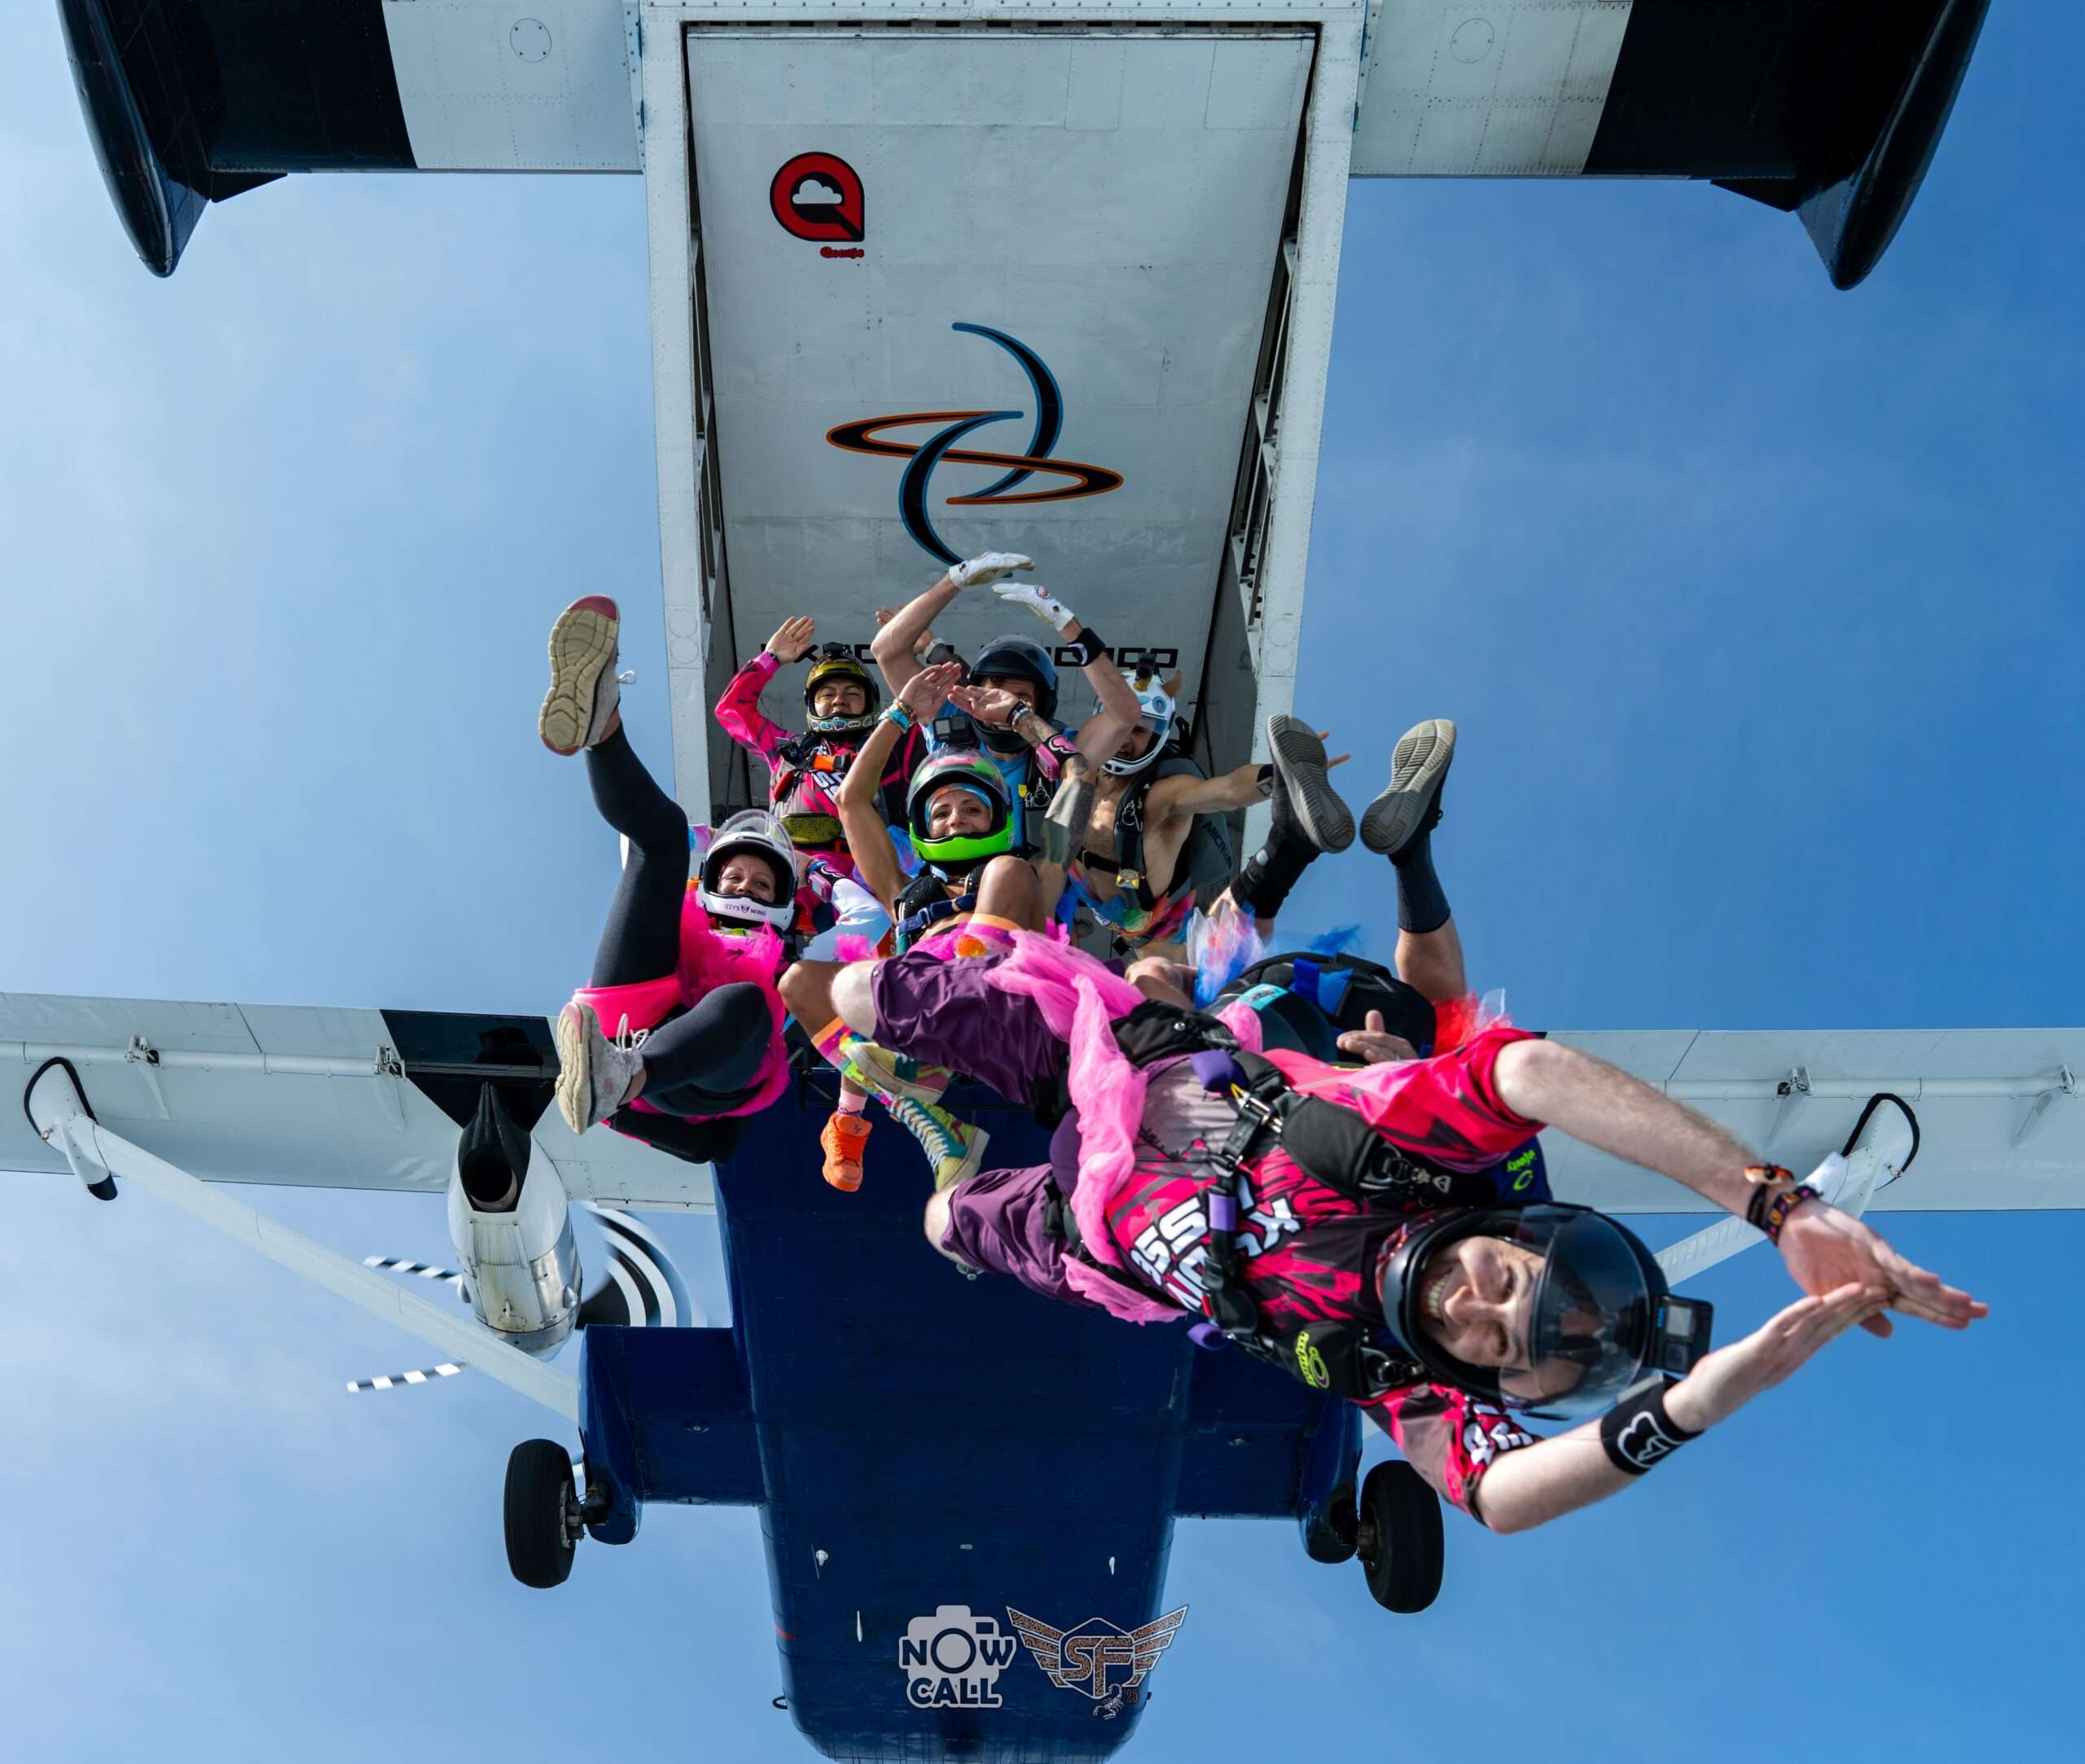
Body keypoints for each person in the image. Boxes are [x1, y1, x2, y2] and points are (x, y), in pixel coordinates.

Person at [804, 735, 1986, 1534]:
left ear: (1493, 1380)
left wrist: (1705, 1399)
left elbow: (1507, 1496)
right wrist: (1778, 1202)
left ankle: (940, 1146)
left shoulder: (1398, 1371)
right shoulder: (1410, 1153)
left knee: (940, 1217)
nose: (1479, 1306)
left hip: (1087, 1234)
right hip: (1109, 1064)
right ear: (1515, 1228)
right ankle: (879, 1016)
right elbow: (1529, 1068)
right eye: (1510, 1279)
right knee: (864, 998)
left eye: (1501, 1342)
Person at [779, 660, 1065, 1192]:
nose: (955, 817)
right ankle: (915, 1116)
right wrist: (901, 712)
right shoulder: (904, 896)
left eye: (971, 808)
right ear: (923, 827)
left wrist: (1022, 718)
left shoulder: (1029, 877)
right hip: (919, 1028)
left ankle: (903, 1066)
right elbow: (852, 800)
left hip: (1002, 1022)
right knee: (799, 980)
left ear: (997, 818)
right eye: (941, 811)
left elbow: (1079, 783)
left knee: (1007, 870)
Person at [538, 595, 797, 1162]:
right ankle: (601, 721)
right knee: (663, 838)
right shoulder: (685, 908)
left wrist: (623, 1113)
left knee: (749, 1002)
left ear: (783, 903)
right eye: (736, 878)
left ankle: (619, 1080)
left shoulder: (799, 949)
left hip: (702, 1076)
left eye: (760, 886)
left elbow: (715, 1144)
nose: (746, 889)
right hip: (631, 1027)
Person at [870, 554, 1141, 850]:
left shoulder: (1060, 749)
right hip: (948, 882)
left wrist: (1068, 625)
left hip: (1026, 884)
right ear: (973, 694)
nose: (1002, 709)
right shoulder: (946, 720)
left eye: (1020, 699)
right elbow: (887, 651)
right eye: (994, 695)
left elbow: (1124, 716)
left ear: (1043, 707)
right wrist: (954, 580)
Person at [714, 615, 918, 915]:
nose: (839, 702)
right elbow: (731, 710)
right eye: (827, 695)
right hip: (794, 884)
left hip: (871, 884)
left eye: (852, 694)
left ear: (870, 702)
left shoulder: (896, 744)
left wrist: (916, 645)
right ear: (812, 704)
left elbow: (927, 706)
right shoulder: (786, 751)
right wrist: (770, 659)